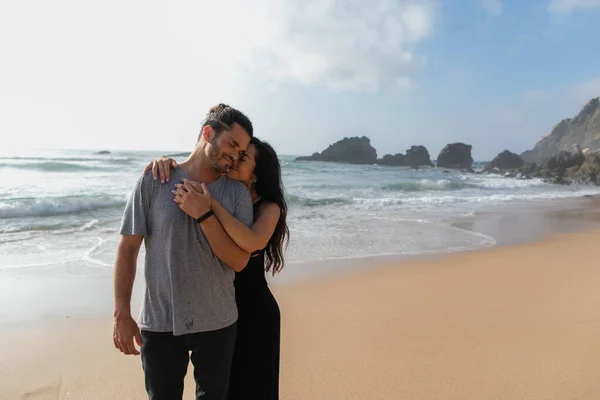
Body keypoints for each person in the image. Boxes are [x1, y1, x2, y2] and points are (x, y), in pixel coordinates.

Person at [113, 104, 255, 400]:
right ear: (208, 133)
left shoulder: (236, 194)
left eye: (240, 151)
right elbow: (128, 249)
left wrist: (205, 215)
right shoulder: (155, 180)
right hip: (160, 319)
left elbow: (240, 261)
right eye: (231, 143)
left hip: (218, 320)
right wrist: (121, 314)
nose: (234, 155)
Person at [144, 135, 289, 400]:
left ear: (256, 175)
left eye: (243, 157)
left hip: (255, 313)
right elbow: (198, 161)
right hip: (219, 308)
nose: (234, 158)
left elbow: (250, 241)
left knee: (255, 389)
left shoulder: (269, 209)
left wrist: (209, 206)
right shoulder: (229, 196)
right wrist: (166, 164)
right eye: (236, 152)